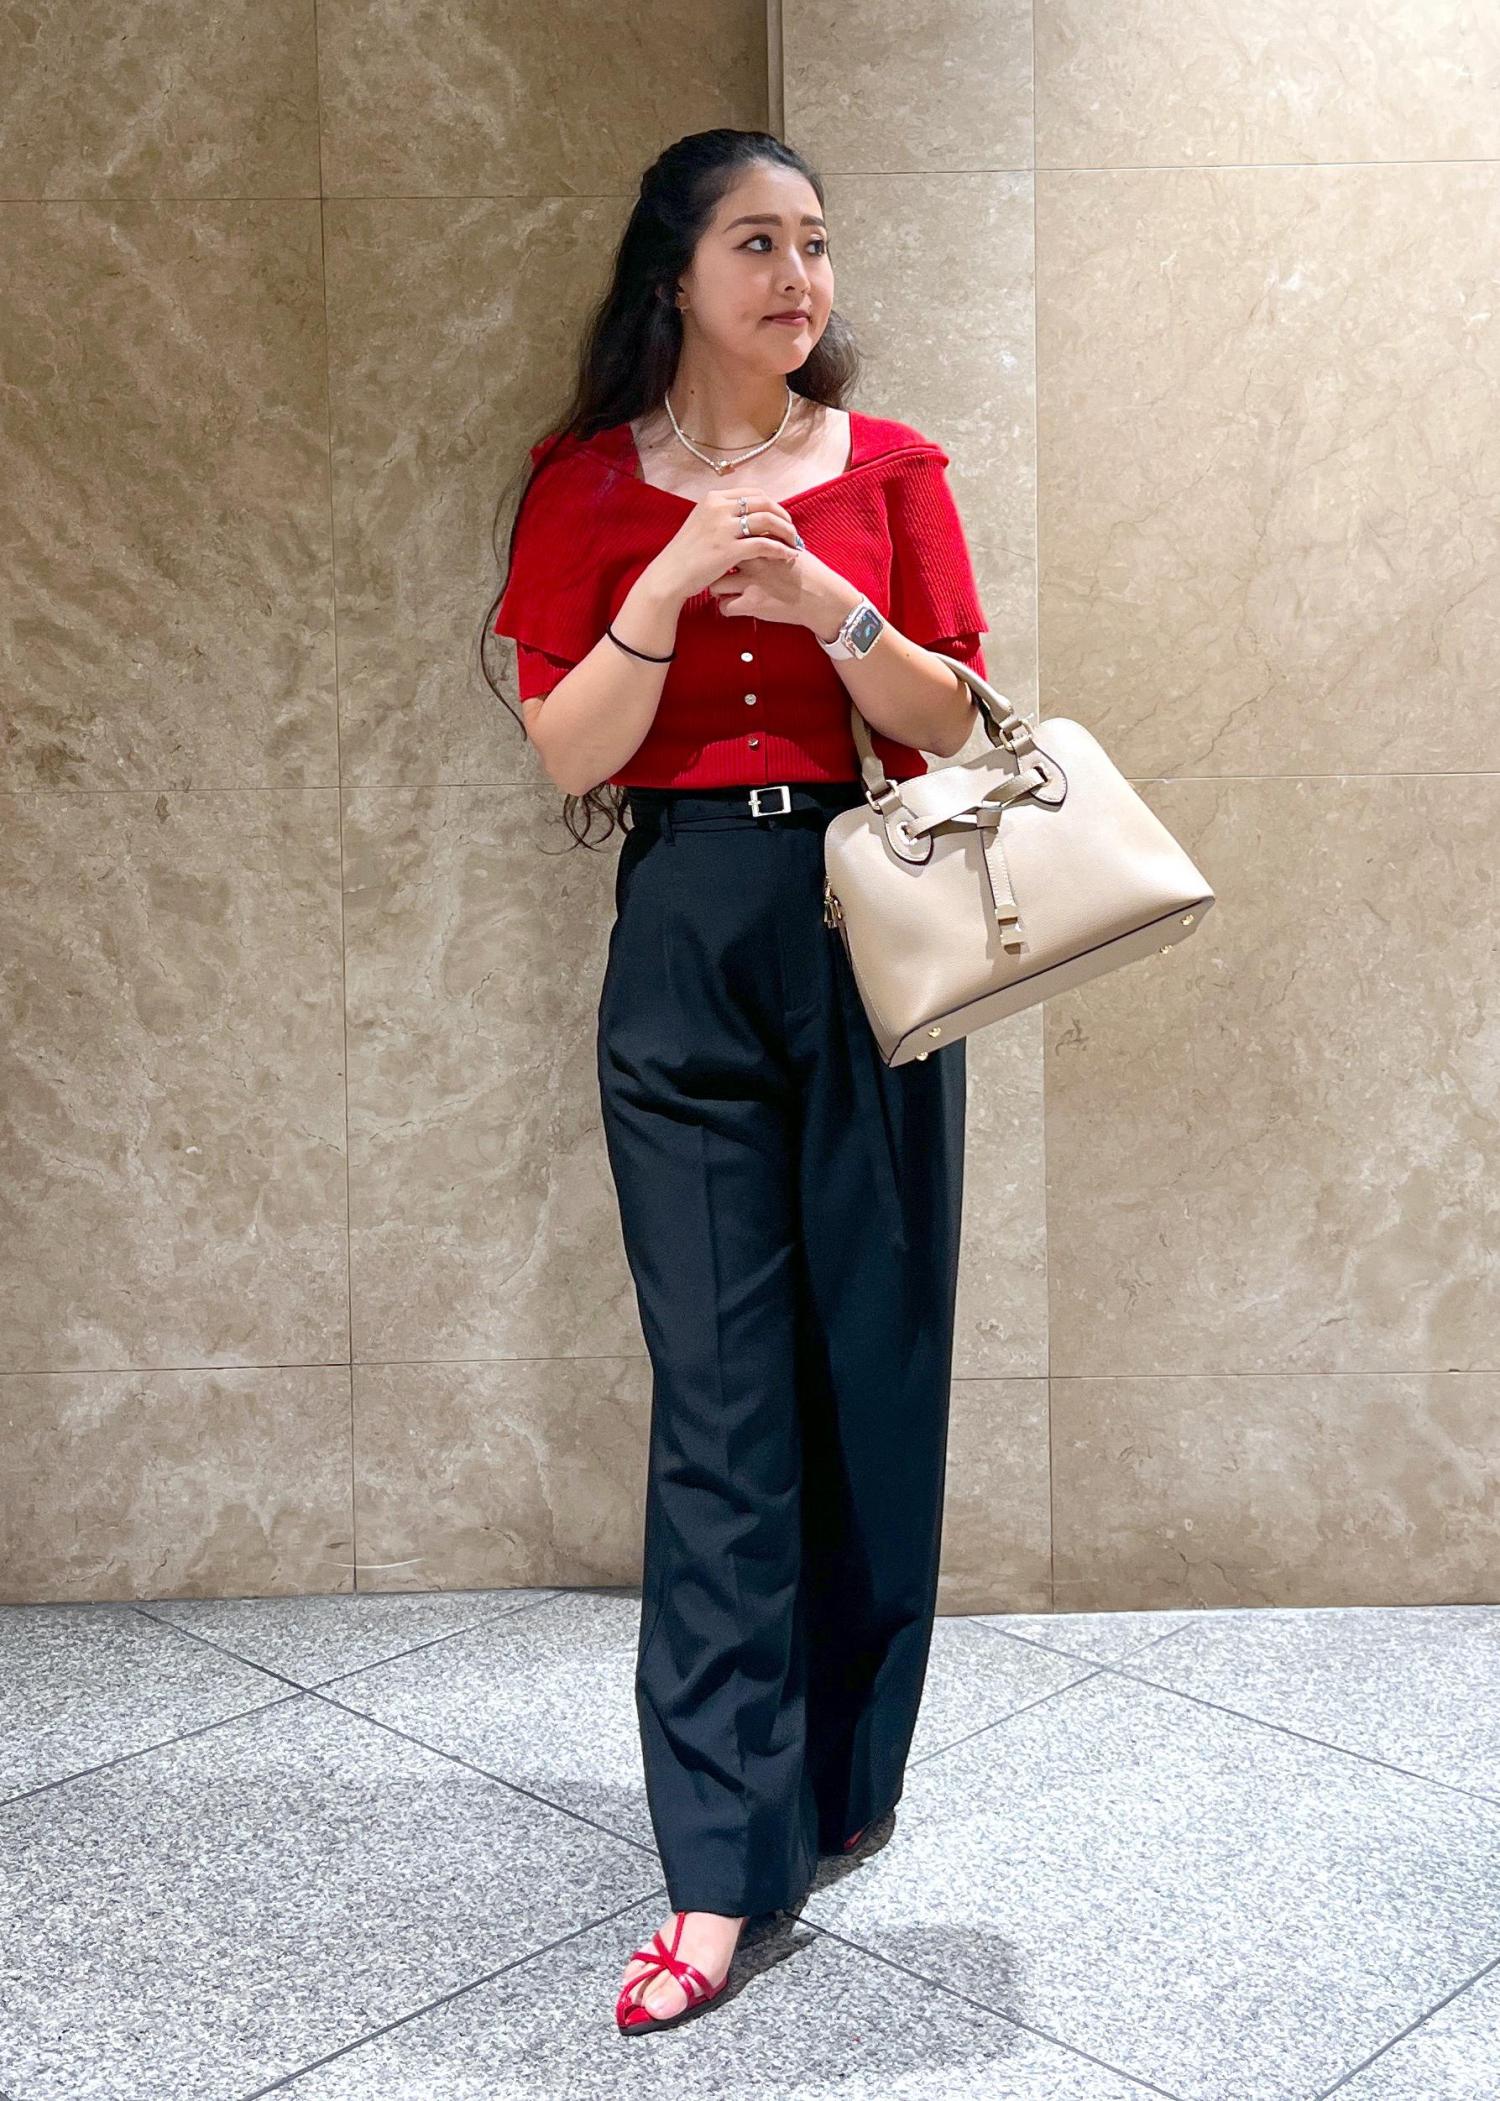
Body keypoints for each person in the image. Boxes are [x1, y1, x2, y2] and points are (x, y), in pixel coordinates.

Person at [486, 127, 989, 2036]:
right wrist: (676, 587)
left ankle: (839, 1781)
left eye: (817, 245)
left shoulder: (894, 469)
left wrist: (836, 613)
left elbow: (952, 718)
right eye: (758, 244)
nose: (799, 279)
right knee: (717, 1406)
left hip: (872, 926)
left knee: (875, 1373)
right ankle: (713, 1866)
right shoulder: (584, 485)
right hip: (687, 928)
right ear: (676, 275)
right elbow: (569, 749)